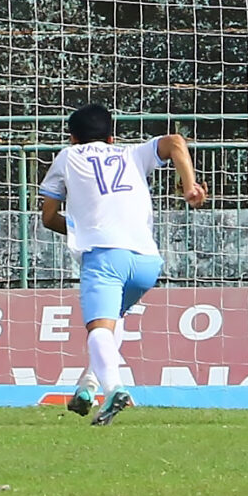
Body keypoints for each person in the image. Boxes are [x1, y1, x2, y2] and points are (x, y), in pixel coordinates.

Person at [38, 104, 204, 427]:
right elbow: (175, 142)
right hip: (146, 262)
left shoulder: (67, 157)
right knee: (115, 319)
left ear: (72, 138)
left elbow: (48, 216)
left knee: (99, 329)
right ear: (112, 138)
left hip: (104, 258)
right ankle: (88, 385)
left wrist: (81, 228)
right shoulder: (132, 154)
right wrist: (189, 185)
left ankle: (114, 389)